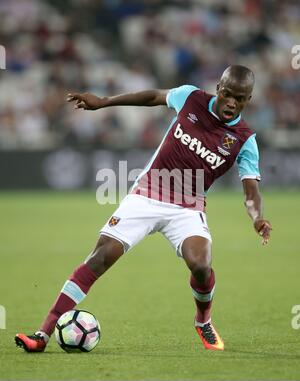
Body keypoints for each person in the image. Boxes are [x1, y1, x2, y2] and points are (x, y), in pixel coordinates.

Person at [15, 65, 272, 352]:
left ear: (249, 99)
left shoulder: (245, 139)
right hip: (148, 193)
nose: (232, 102)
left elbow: (251, 188)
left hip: (187, 208)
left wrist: (257, 217)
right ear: (218, 89)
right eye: (227, 94)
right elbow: (152, 97)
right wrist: (104, 102)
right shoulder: (190, 97)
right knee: (100, 257)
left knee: (201, 264)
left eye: (240, 98)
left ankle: (203, 322)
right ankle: (42, 334)